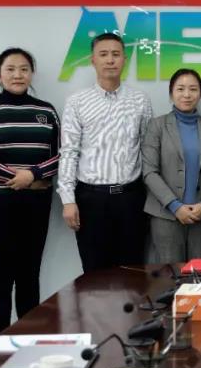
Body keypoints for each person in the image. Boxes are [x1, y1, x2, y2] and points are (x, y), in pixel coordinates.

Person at [0, 48, 59, 336]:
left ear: (31, 74)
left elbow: (60, 155)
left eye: (23, 69)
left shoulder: (46, 111)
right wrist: (21, 179)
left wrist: (32, 175)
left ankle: (27, 338)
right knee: (0, 272)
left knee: (29, 272)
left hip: (36, 203)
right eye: (10, 69)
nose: (17, 75)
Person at [57, 32, 154, 272]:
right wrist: (68, 200)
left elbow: (147, 149)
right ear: (93, 60)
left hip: (131, 198)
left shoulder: (140, 100)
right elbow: (69, 151)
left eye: (115, 54)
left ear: (124, 59)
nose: (110, 60)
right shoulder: (77, 102)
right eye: (103, 54)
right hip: (91, 200)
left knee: (132, 273)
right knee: (94, 275)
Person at [143, 69, 201, 263]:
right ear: (171, 93)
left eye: (193, 89)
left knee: (200, 275)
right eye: (180, 89)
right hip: (165, 216)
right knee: (169, 275)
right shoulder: (157, 126)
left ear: (200, 94)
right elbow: (149, 172)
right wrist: (175, 206)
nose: (187, 94)